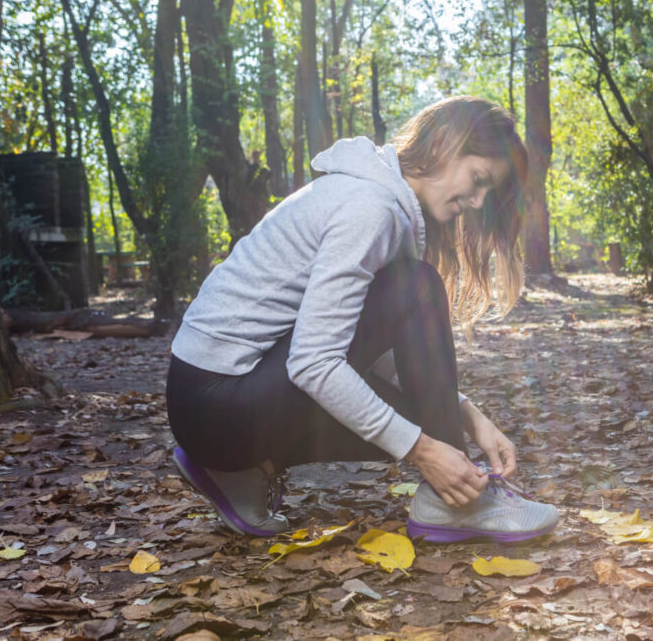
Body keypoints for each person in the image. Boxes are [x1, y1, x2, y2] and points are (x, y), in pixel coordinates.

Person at [166, 96, 559, 542]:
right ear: (445, 145)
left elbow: (360, 345)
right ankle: (457, 504)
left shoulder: (379, 202)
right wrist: (426, 451)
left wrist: (468, 415)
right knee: (419, 288)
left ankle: (241, 471)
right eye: (479, 180)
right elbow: (314, 363)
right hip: (216, 407)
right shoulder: (370, 208)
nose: (476, 201)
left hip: (211, 402)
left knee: (417, 410)